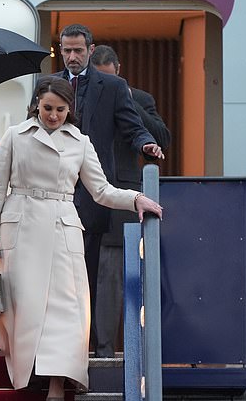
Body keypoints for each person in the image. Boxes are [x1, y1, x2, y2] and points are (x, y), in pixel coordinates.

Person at [0, 76, 163, 399]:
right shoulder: (14, 136)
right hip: (20, 227)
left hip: (62, 226)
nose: (53, 115)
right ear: (37, 103)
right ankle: (31, 373)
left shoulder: (80, 141)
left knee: (66, 310)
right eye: (48, 108)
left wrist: (135, 199)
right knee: (24, 307)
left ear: (70, 109)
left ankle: (56, 383)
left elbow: (102, 190)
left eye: (60, 109)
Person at [42, 24, 164, 356]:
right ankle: (55, 345)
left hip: (94, 196)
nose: (71, 56)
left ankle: (89, 345)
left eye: (78, 50)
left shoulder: (112, 86)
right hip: (53, 195)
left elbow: (131, 125)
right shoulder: (48, 85)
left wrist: (146, 144)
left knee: (90, 276)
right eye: (66, 50)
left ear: (90, 50)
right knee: (55, 276)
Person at [90, 44, 171, 357]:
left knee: (115, 278)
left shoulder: (140, 99)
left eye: (111, 79)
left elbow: (162, 138)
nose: (105, 85)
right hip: (84, 199)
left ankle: (108, 350)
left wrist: (122, 99)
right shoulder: (79, 96)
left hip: (122, 201)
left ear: (119, 72)